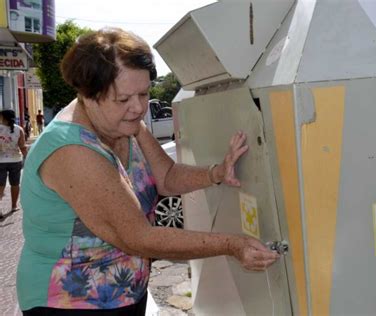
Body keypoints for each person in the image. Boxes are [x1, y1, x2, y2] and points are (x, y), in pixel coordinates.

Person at [17, 27, 279, 315]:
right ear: (88, 95)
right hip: (69, 304)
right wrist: (232, 244)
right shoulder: (72, 150)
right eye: (124, 99)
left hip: (124, 294)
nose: (138, 107)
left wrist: (216, 172)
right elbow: (138, 237)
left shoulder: (123, 124)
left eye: (144, 94)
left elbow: (165, 177)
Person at [0, 109, 27, 219]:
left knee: (0, 185)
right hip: (16, 160)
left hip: (0, 161)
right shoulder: (19, 129)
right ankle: (14, 206)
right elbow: (23, 147)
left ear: (4, 118)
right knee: (15, 184)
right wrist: (28, 159)